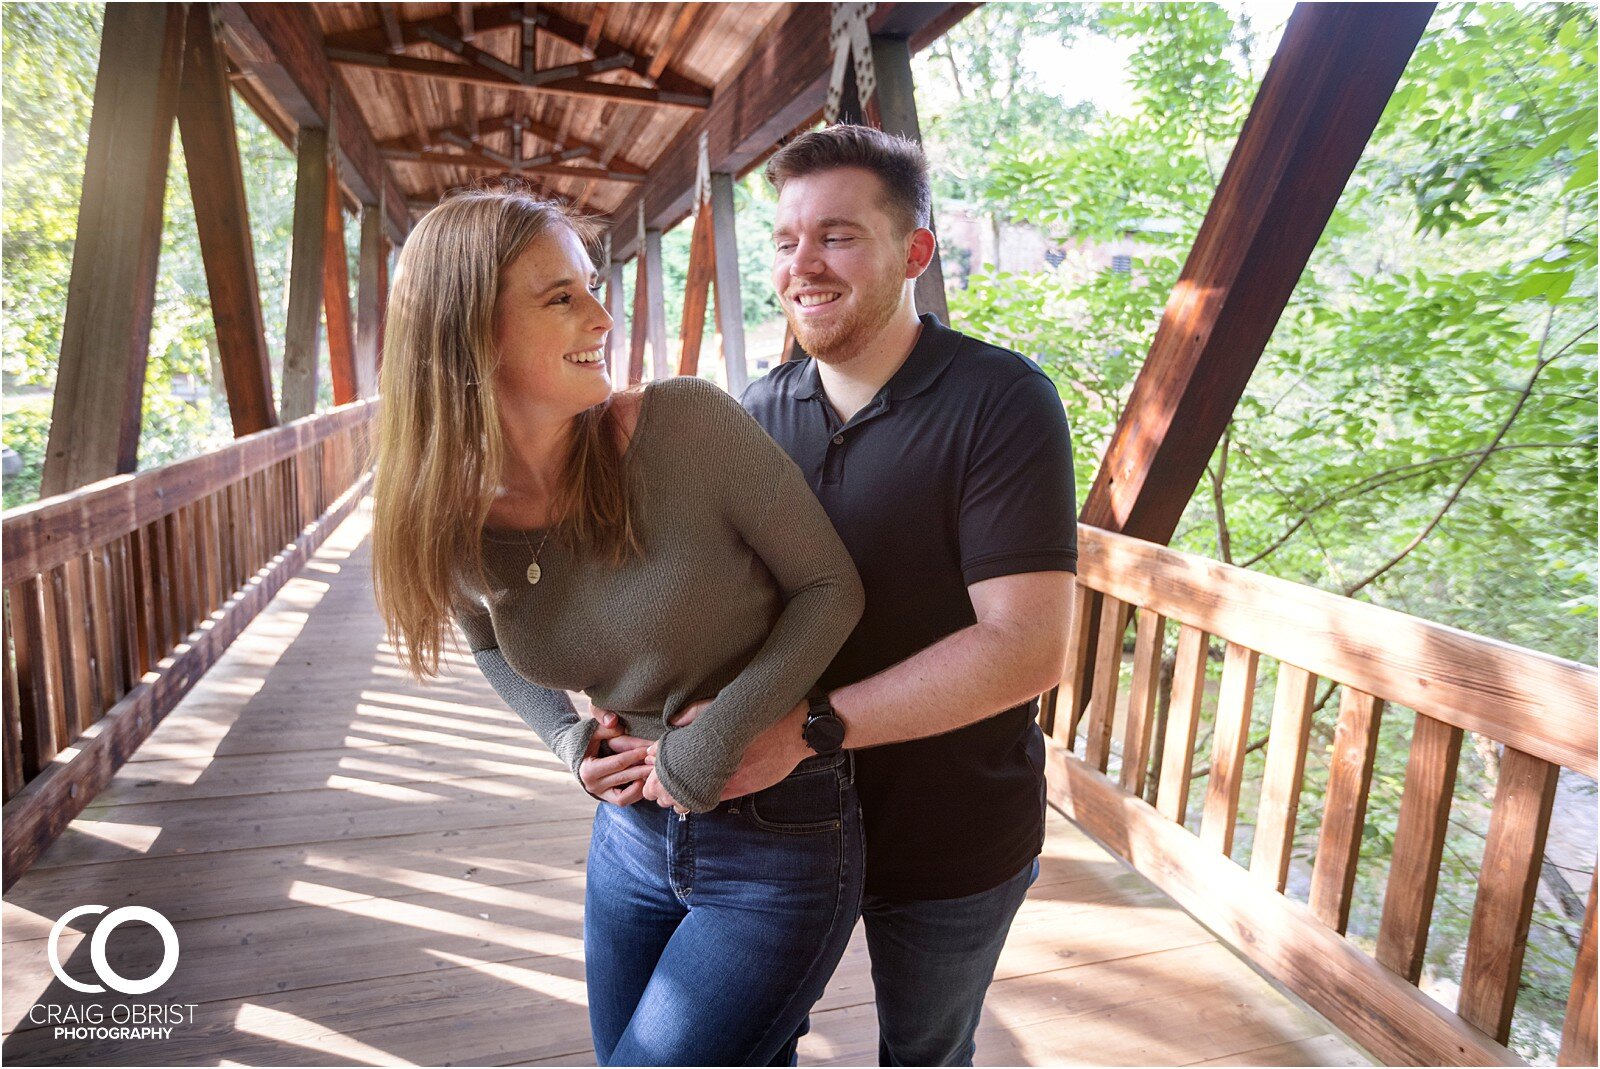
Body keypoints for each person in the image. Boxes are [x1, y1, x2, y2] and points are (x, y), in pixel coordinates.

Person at [368, 184, 867, 1067]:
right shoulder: (446, 515)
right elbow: (490, 645)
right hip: (629, 845)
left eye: (593, 284)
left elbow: (831, 586)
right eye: (561, 296)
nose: (603, 315)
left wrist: (720, 733)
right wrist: (566, 738)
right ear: (465, 331)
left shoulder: (680, 422)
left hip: (778, 836)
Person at [639, 125, 1079, 1065]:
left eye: (837, 236)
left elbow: (1027, 644)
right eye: (788, 239)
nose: (804, 264)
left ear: (914, 252)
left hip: (950, 835)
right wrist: (611, 723)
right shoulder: (753, 413)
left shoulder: (1000, 402)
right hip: (772, 836)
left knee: (926, 1051)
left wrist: (805, 727)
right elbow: (701, 612)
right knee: (756, 1046)